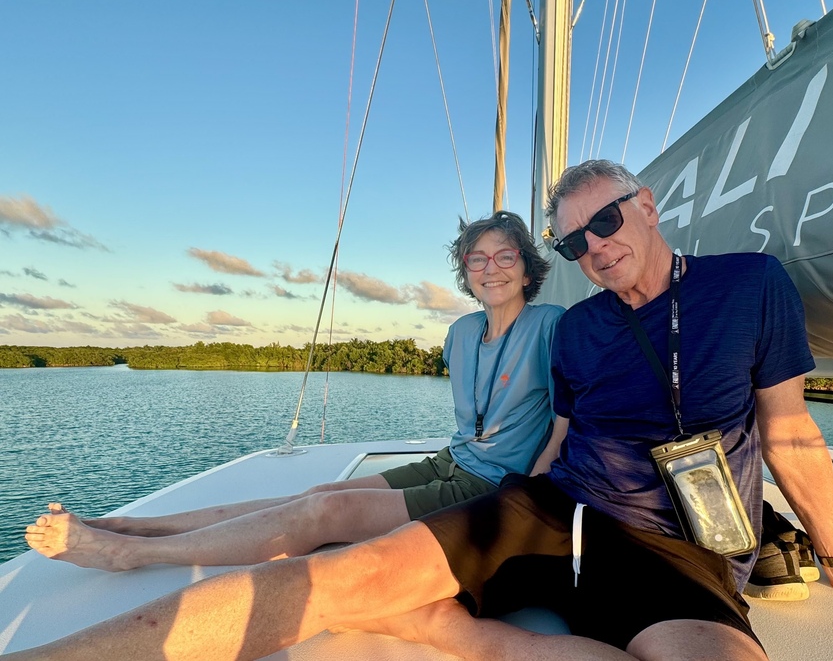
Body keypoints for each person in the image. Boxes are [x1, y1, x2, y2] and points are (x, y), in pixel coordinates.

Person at [5, 161, 833, 661]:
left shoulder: (748, 287)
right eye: (576, 238)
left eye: (605, 222)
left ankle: (447, 628)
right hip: (546, 509)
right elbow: (558, 442)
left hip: (677, 544)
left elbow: (788, 432)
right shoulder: (573, 332)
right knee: (337, 569)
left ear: (646, 207)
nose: (594, 246)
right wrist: (468, 524)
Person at [23, 210, 566, 572]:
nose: (490, 268)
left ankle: (127, 555)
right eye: (478, 259)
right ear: (465, 271)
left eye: (505, 257)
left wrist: (536, 483)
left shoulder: (551, 325)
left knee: (322, 518)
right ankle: (127, 525)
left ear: (526, 268)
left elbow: (570, 414)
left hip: (496, 484)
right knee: (316, 494)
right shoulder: (461, 333)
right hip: (449, 461)